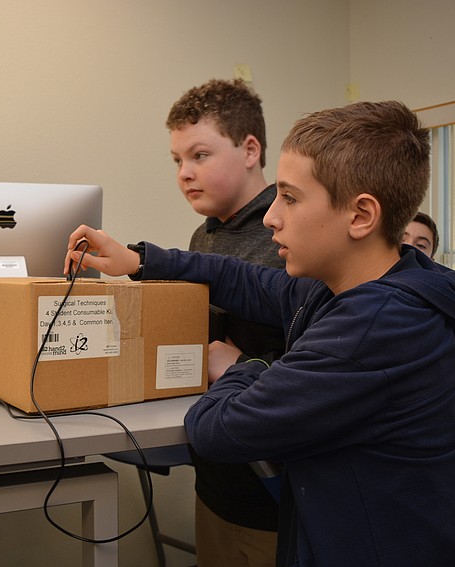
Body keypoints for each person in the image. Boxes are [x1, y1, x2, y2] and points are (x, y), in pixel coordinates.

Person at [64, 100, 455, 566]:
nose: (272, 217)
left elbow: (216, 430)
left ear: (360, 216)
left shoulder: (375, 328)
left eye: (290, 198)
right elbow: (248, 280)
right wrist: (142, 261)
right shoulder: (354, 286)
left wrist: (240, 367)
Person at [165, 78, 284, 566]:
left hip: (273, 493)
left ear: (250, 149)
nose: (185, 174)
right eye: (177, 161)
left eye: (200, 155)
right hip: (217, 478)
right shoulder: (204, 234)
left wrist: (241, 365)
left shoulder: (286, 234)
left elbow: (317, 361)